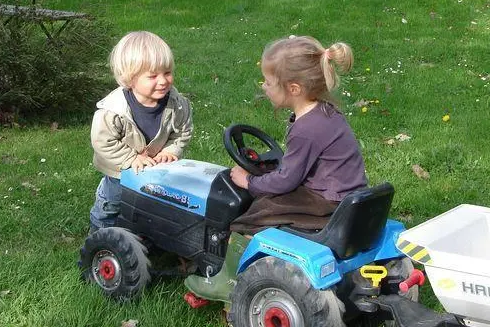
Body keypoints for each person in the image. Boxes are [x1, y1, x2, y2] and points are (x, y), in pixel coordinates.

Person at [184, 36, 366, 303]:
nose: (264, 87)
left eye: (268, 82)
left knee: (253, 214)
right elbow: (300, 166)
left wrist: (250, 182)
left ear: (293, 88)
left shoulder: (306, 129)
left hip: (326, 201)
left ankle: (230, 283)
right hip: (345, 194)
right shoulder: (325, 111)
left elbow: (286, 181)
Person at [88, 31, 193, 233]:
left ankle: (145, 234)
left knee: (153, 204)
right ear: (130, 78)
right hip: (119, 172)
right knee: (111, 205)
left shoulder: (177, 105)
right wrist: (130, 159)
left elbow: (183, 131)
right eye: (153, 76)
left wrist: (171, 151)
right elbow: (103, 142)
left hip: (156, 169)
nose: (163, 81)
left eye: (167, 72)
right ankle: (99, 238)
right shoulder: (113, 111)